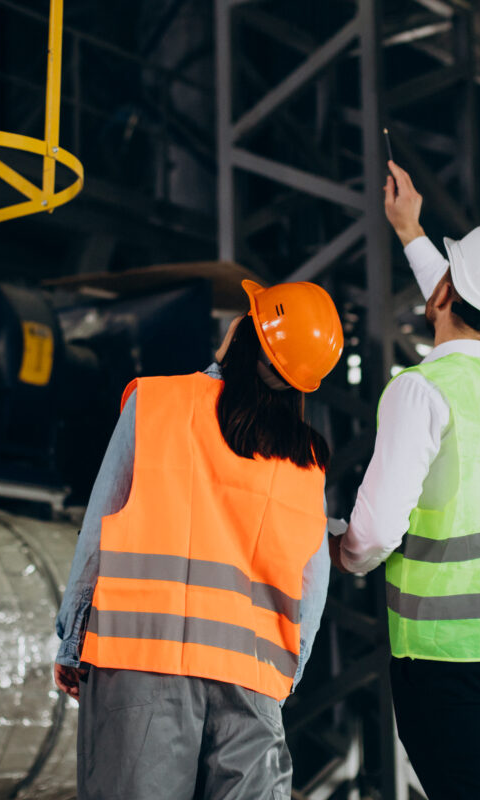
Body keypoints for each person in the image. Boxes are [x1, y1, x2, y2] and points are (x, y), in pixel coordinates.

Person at [330, 161, 480, 800]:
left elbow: (374, 535)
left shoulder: (420, 393)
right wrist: (410, 231)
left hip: (444, 662)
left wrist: (340, 548)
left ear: (441, 297)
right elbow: (468, 302)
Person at [54, 278, 343, 800]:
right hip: (251, 683)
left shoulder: (159, 404)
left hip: (140, 664)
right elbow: (313, 583)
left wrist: (74, 641)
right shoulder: (306, 460)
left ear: (248, 334)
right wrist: (283, 679)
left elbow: (99, 525)